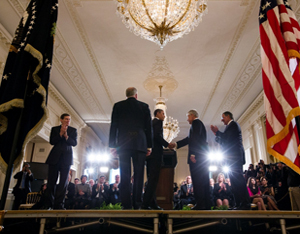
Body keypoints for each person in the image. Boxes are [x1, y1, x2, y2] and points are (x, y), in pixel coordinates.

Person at [109, 87, 152, 209]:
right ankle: (137, 203)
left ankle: (126, 204)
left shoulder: (118, 106)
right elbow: (149, 127)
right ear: (136, 95)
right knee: (139, 175)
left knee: (125, 174)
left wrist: (112, 145)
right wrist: (149, 146)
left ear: (126, 95)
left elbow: (114, 126)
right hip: (140, 143)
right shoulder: (144, 106)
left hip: (123, 144)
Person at [211, 111, 250, 210]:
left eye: (223, 117)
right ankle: (238, 204)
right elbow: (226, 142)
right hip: (232, 159)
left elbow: (228, 138)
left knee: (239, 181)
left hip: (236, 157)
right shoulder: (229, 127)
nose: (222, 119)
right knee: (234, 182)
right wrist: (217, 136)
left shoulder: (234, 124)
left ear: (228, 116)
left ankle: (245, 203)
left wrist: (218, 132)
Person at [175, 110, 210, 210]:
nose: (187, 119)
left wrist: (193, 154)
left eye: (187, 117)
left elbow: (194, 139)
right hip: (202, 157)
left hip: (197, 157)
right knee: (202, 180)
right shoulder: (198, 124)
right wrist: (177, 144)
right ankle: (205, 204)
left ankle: (200, 204)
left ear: (191, 115)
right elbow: (190, 139)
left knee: (198, 180)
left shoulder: (196, 123)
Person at [142, 109, 175, 210]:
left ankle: (152, 203)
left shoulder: (151, 123)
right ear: (158, 114)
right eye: (163, 113)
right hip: (155, 155)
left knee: (151, 179)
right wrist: (167, 144)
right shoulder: (158, 122)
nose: (164, 116)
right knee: (153, 180)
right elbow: (157, 136)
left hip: (149, 156)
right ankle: (145, 204)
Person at [44, 113, 77, 210]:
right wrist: (60, 134)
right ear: (61, 120)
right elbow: (52, 141)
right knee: (51, 182)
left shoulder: (73, 130)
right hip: (54, 158)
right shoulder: (54, 129)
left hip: (66, 159)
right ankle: (48, 204)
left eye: (69, 119)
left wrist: (66, 136)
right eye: (66, 119)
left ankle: (59, 205)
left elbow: (74, 143)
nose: (68, 121)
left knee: (63, 183)